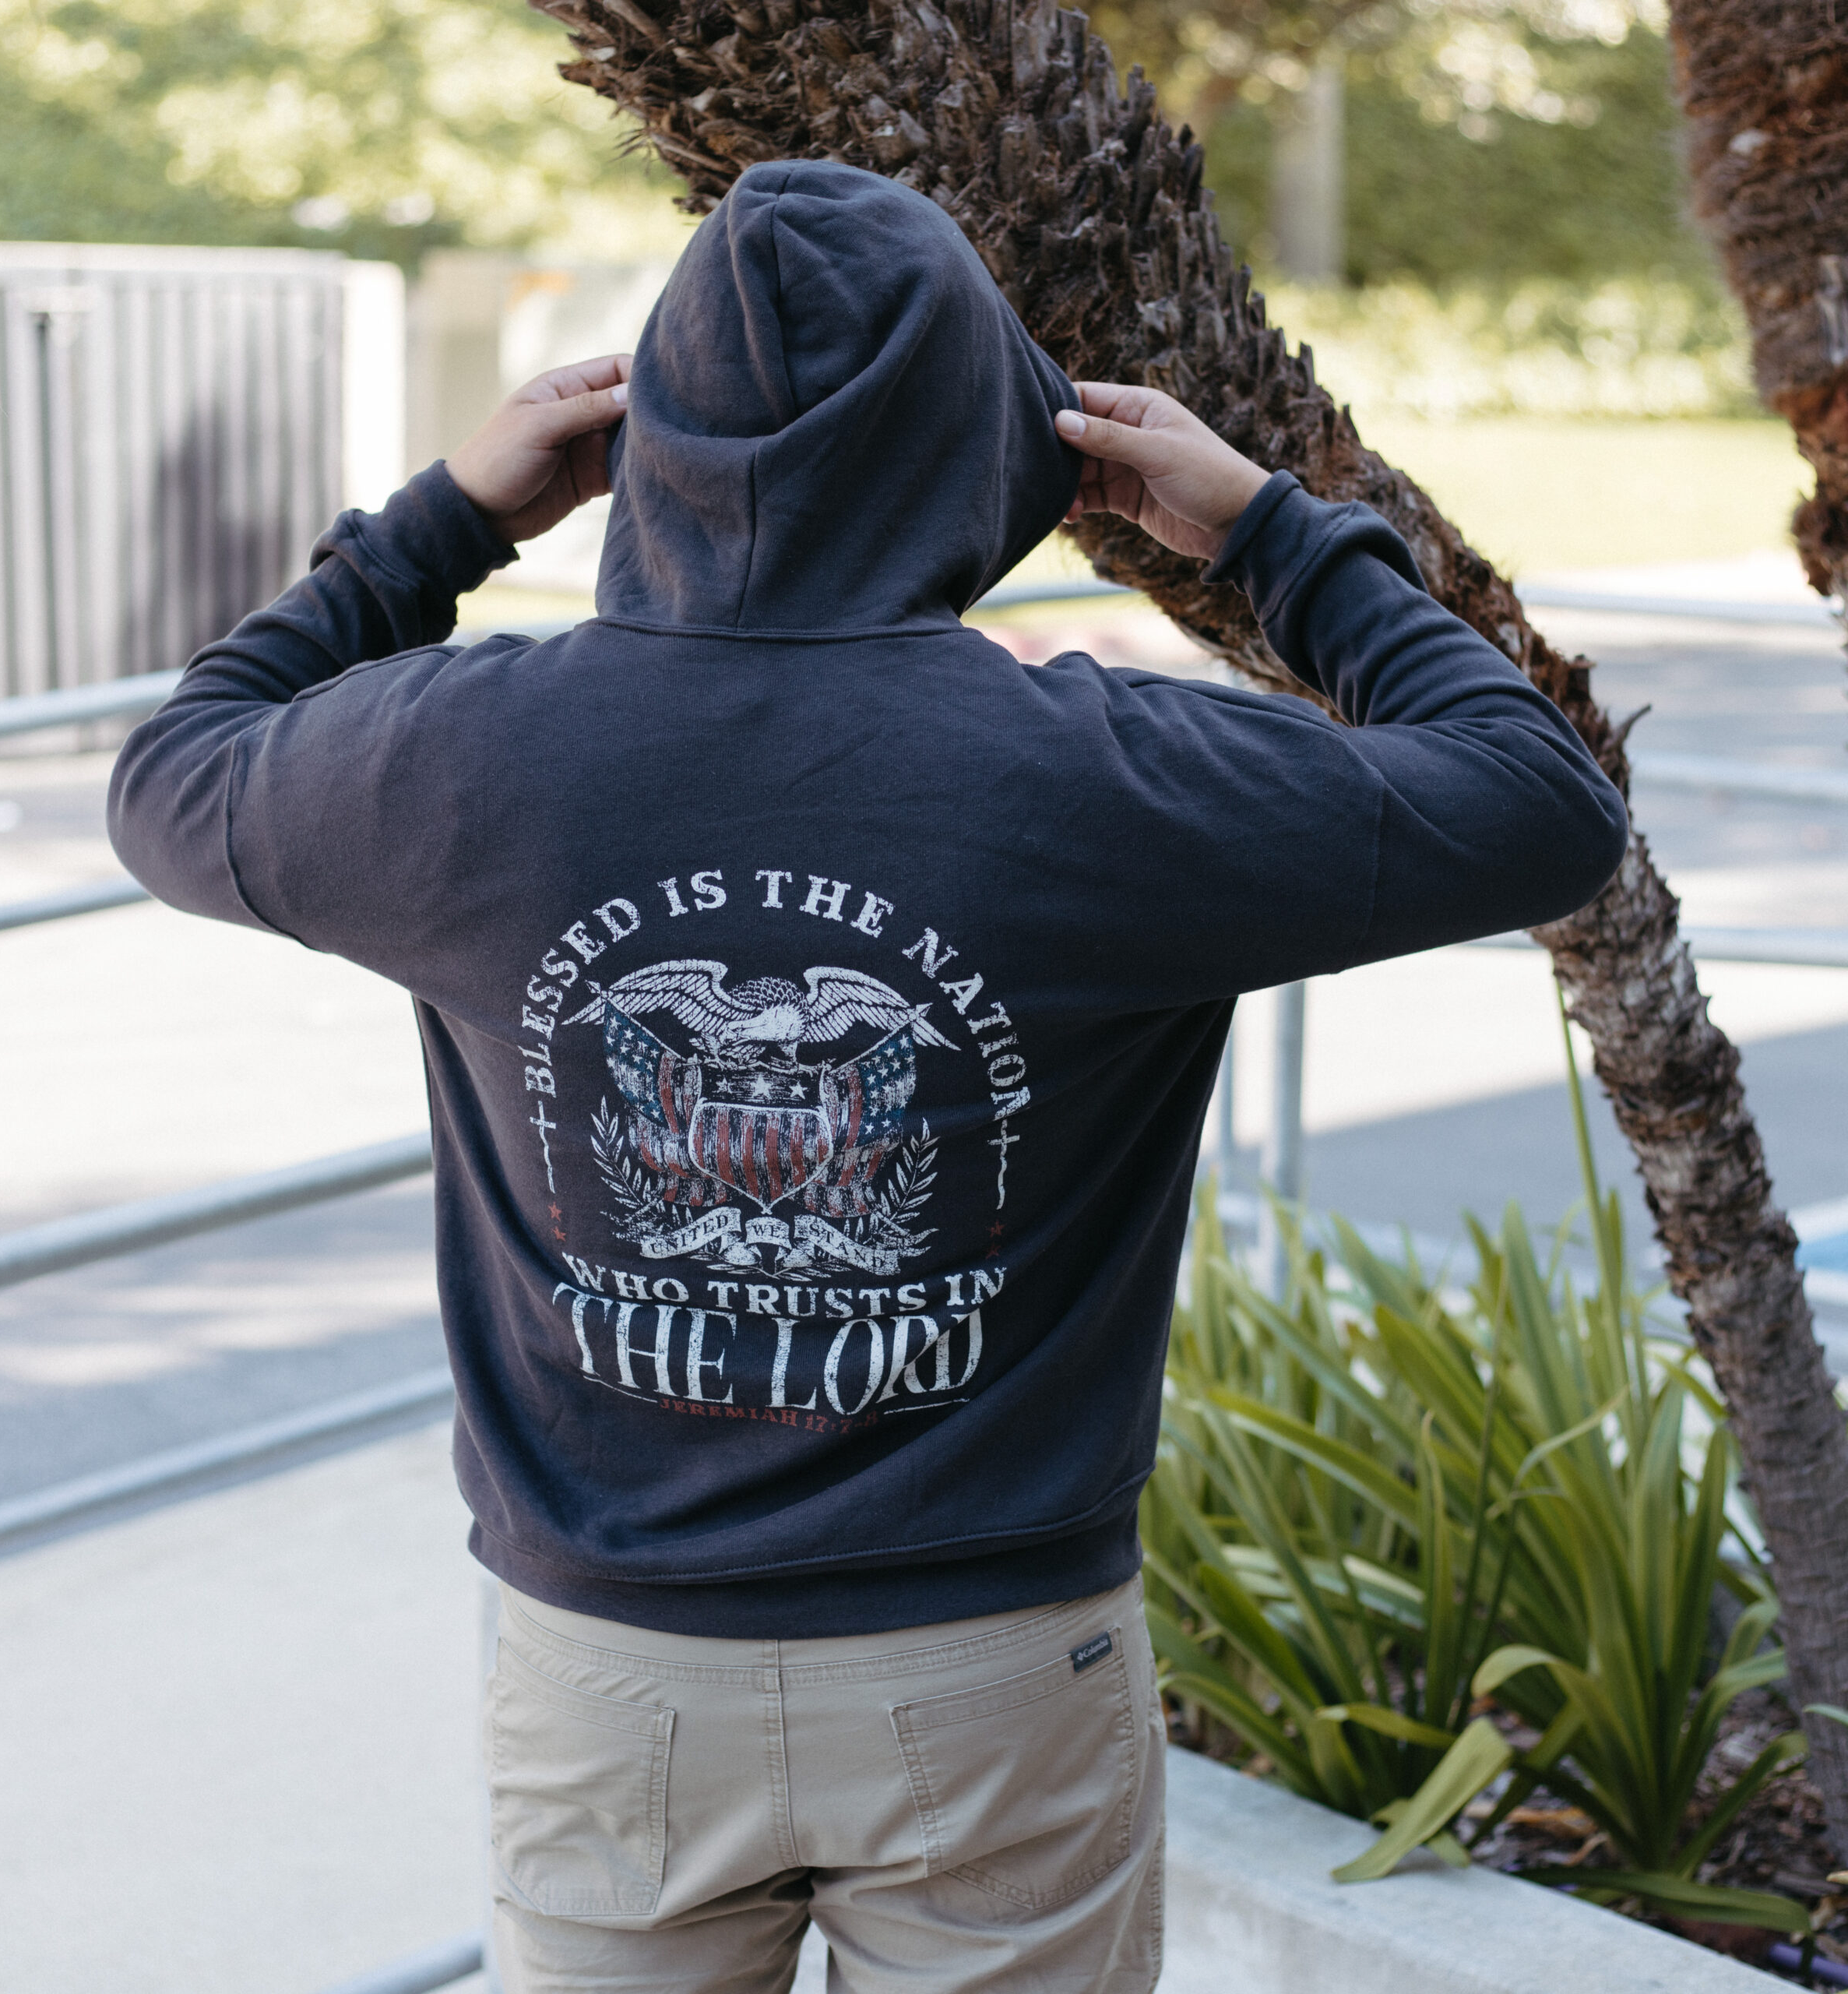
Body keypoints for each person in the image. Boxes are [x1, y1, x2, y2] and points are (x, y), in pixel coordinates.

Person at [108, 159, 1627, 1992]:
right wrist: (1267, 533)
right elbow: (1542, 805)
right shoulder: (1108, 774)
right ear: (994, 442)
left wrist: (443, 521)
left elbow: (172, 776)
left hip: (610, 1673)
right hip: (993, 1663)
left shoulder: (458, 757)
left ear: (642, 443)